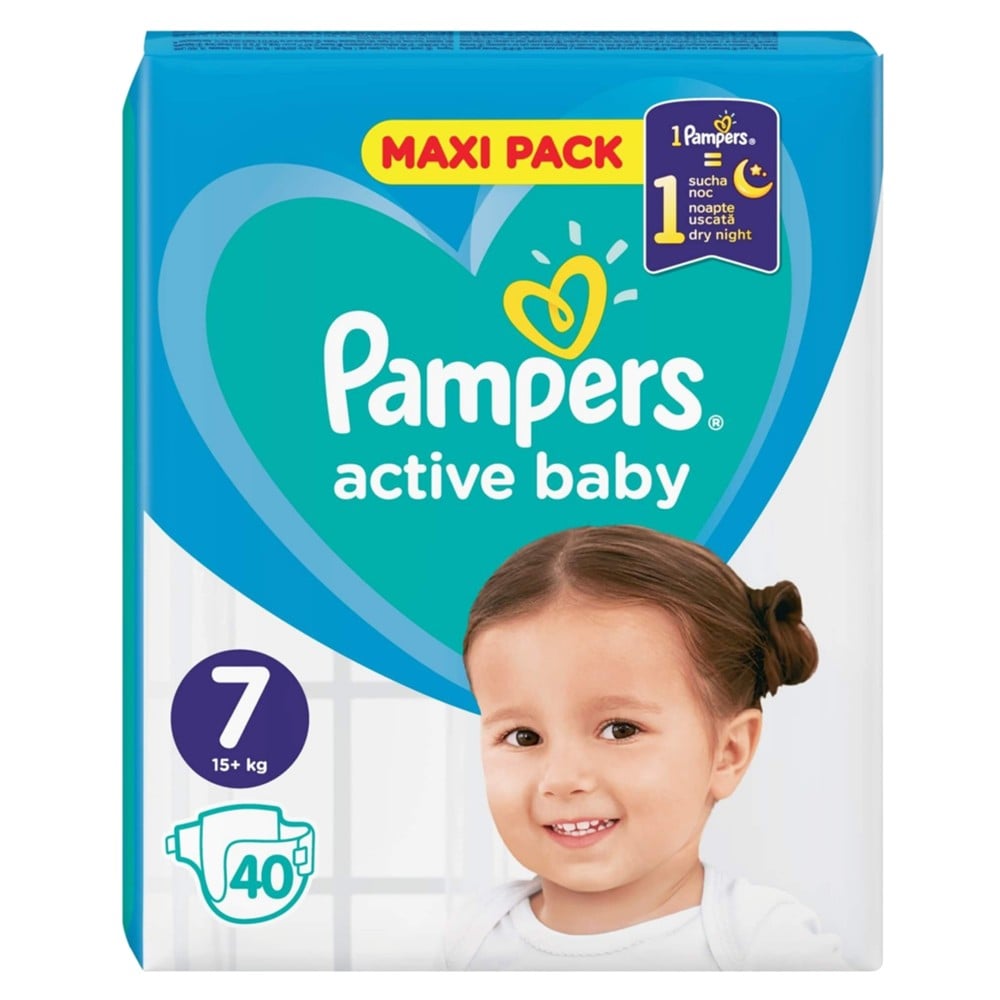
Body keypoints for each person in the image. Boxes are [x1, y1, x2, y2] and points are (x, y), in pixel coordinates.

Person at [444, 525, 847, 970]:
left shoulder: (767, 945)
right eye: (524, 736)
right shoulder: (464, 943)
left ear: (728, 753)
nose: (561, 779)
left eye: (620, 730)